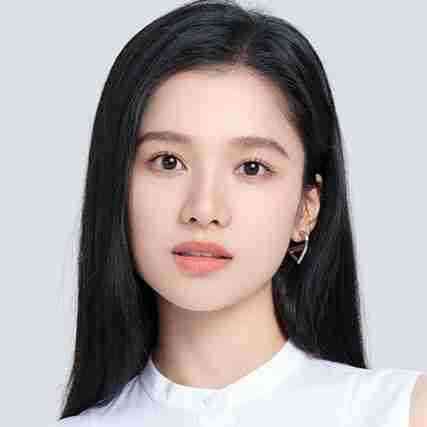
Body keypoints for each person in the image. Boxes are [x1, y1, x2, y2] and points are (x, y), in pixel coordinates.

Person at [53, 0, 427, 426]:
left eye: (251, 168)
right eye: (168, 161)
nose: (203, 210)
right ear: (117, 186)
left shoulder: (402, 412)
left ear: (307, 208)